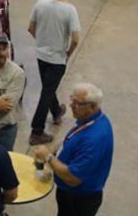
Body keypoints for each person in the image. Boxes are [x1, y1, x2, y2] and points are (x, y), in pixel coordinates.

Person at [31, 83, 114, 216]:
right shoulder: (91, 119)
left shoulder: (94, 138)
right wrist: (54, 151)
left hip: (79, 198)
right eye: (72, 99)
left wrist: (49, 158)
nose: (71, 105)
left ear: (92, 106)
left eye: (77, 103)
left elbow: (73, 178)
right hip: (69, 193)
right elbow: (73, 139)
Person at [28, 0, 81, 146]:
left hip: (41, 55)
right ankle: (37, 131)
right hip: (57, 59)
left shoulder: (40, 3)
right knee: (47, 91)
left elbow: (30, 28)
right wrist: (68, 53)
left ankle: (57, 111)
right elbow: (75, 39)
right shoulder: (69, 10)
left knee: (47, 87)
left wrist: (42, 42)